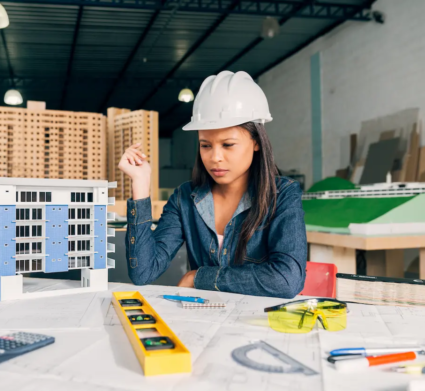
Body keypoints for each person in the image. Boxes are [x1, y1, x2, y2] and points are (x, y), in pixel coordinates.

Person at [117, 71, 306, 298]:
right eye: (205, 145)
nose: (215, 157)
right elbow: (143, 272)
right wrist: (140, 185)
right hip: (202, 322)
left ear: (256, 142)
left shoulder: (282, 195)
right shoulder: (184, 199)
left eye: (228, 145)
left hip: (256, 323)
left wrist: (198, 277)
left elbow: (287, 280)